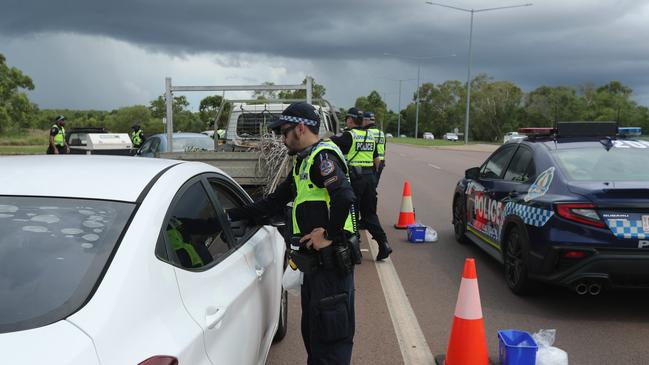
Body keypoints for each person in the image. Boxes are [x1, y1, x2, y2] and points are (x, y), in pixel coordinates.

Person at [227, 102, 357, 364]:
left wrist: (328, 234)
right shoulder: (303, 164)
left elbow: (344, 197)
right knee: (316, 341)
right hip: (316, 271)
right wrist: (226, 216)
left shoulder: (324, 158)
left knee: (329, 348)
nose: (282, 139)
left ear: (300, 128)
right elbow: (273, 203)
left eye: (284, 132)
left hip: (330, 270)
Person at [331, 108, 392, 261]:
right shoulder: (370, 136)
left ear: (350, 120)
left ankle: (355, 252)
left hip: (354, 179)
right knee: (370, 214)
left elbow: (331, 144)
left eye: (347, 119)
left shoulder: (348, 136)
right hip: (369, 178)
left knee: (351, 216)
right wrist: (372, 179)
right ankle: (383, 243)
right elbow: (377, 161)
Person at [363, 112, 386, 183]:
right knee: (374, 184)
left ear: (367, 120)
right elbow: (384, 149)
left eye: (363, 120)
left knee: (368, 187)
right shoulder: (381, 133)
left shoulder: (366, 133)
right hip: (381, 162)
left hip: (371, 162)